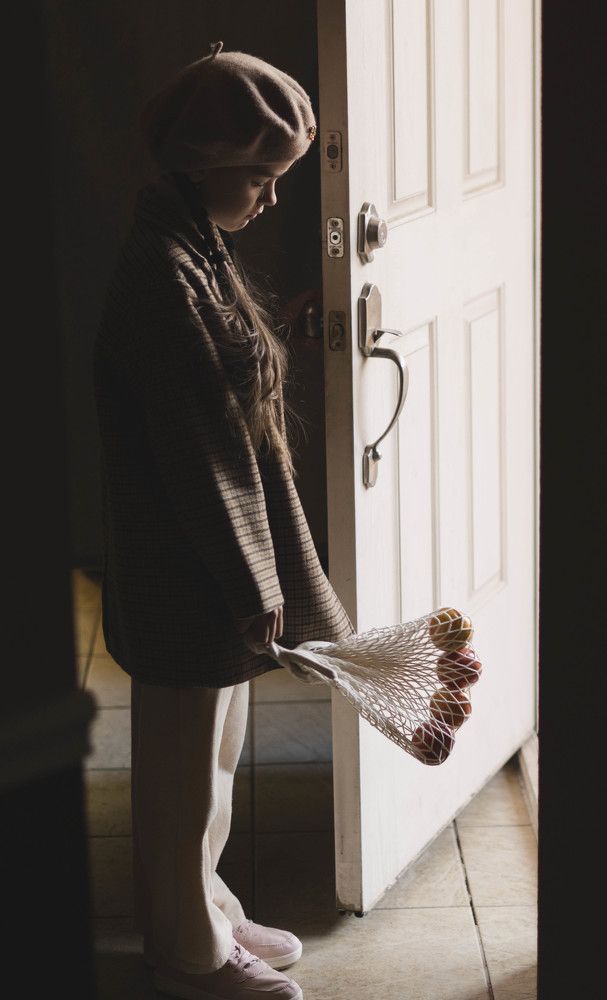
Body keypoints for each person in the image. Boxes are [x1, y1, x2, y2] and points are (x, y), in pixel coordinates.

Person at [92, 42, 355, 1000]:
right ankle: (188, 954)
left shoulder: (194, 251)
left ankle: (204, 904)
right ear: (204, 163)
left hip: (199, 561)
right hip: (187, 565)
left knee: (214, 751)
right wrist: (252, 583)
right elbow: (203, 455)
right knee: (183, 769)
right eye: (260, 177)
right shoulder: (165, 277)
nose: (272, 198)